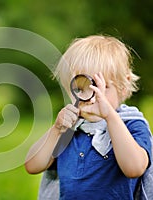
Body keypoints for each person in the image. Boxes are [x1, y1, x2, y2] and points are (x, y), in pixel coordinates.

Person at [25, 35, 152, 200]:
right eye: (80, 89)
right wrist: (56, 131)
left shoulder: (131, 124)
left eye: (102, 87)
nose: (91, 98)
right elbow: (33, 166)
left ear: (123, 86)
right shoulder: (70, 129)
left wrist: (110, 117)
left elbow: (134, 168)